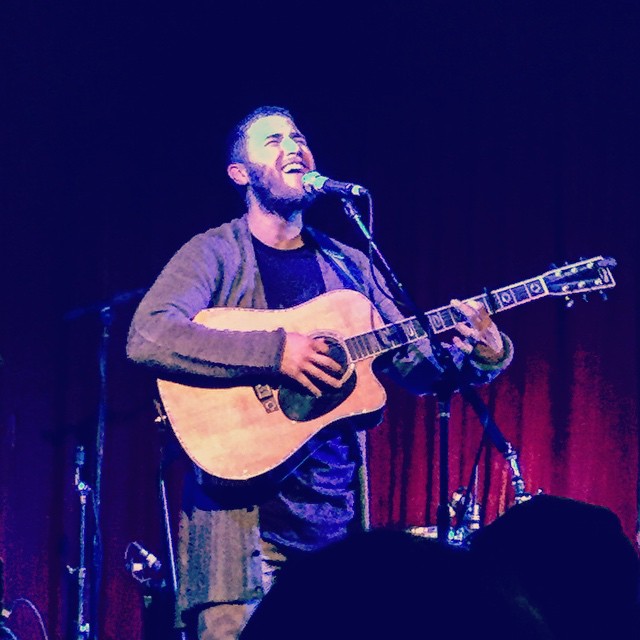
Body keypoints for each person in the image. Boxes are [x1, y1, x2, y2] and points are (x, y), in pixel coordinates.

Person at [126, 105, 513, 640]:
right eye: (272, 139)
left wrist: (485, 353)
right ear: (240, 173)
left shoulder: (350, 263)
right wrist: (276, 352)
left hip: (335, 529)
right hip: (242, 535)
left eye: (298, 136)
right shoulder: (215, 252)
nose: (293, 145)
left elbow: (414, 367)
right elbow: (148, 334)